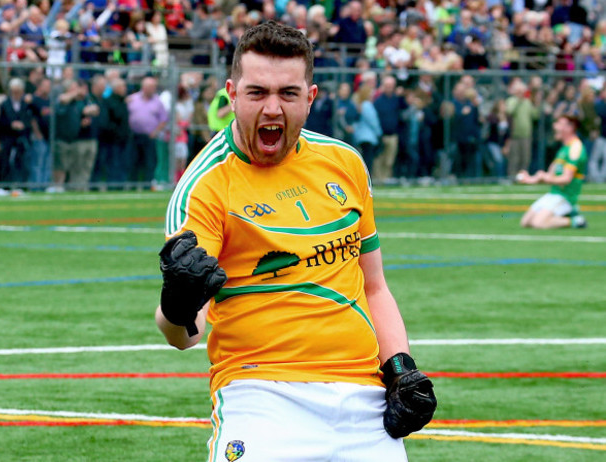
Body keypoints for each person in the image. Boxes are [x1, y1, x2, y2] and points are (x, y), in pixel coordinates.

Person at [155, 22, 436, 461]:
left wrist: (401, 369)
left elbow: (375, 287)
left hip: (365, 398)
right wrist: (176, 304)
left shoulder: (345, 163)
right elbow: (182, 335)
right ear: (231, 94)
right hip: (262, 394)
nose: (272, 108)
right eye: (256, 93)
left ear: (310, 98)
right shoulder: (204, 186)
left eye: (287, 93)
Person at [518, 114, 588, 229]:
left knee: (538, 223)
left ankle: (575, 220)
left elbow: (566, 179)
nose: (555, 126)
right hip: (554, 194)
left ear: (570, 128)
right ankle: (568, 214)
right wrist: (529, 179)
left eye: (559, 124)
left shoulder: (575, 148)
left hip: (565, 196)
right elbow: (550, 175)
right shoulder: (563, 149)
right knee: (526, 222)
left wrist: (545, 178)